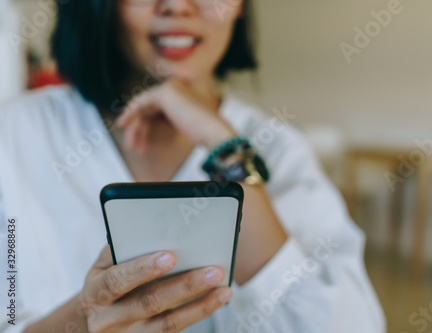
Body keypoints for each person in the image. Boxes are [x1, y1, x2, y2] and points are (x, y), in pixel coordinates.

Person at [0, 0, 385, 332]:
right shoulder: (16, 135)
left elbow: (350, 326)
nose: (178, 6)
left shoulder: (280, 153)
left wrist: (227, 148)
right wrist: (83, 322)